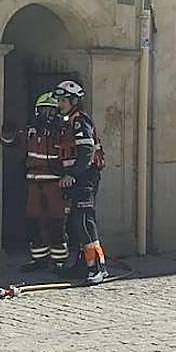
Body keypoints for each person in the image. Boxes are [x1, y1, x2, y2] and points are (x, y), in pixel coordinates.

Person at [0, 92, 68, 271]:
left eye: (51, 111)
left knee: (56, 222)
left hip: (55, 183)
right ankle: (39, 259)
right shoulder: (31, 130)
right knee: (35, 221)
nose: (47, 115)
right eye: (43, 111)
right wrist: (7, 134)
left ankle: (59, 261)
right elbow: (12, 143)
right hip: (34, 183)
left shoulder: (63, 131)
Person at [54, 80, 109, 284]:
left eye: (63, 101)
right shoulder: (67, 122)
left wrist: (72, 175)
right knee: (73, 224)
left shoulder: (80, 121)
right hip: (76, 178)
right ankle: (81, 265)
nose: (59, 104)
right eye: (59, 100)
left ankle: (97, 267)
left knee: (84, 222)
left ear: (74, 101)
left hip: (85, 177)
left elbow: (87, 152)